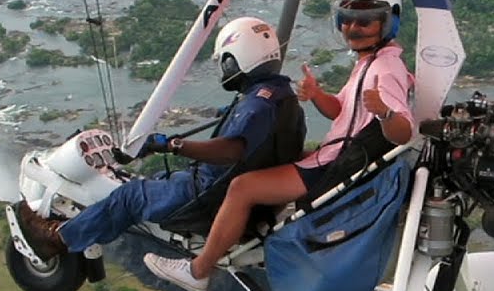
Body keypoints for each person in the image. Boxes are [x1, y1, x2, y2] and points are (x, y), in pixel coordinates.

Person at [143, 0, 415, 291]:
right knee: (276, 158)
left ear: (388, 21)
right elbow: (343, 111)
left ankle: (198, 271)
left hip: (335, 167)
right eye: (346, 19)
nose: (353, 28)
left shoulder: (385, 70)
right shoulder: (371, 62)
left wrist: (385, 112)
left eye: (365, 21)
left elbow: (403, 132)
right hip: (337, 156)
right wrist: (317, 95)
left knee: (243, 187)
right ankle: (253, 226)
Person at [16, 17, 302, 261]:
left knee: (130, 196)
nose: (224, 70)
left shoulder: (256, 106)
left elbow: (232, 150)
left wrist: (172, 145)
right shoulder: (282, 98)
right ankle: (85, 225)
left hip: (207, 197)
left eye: (225, 62)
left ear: (235, 59)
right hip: (234, 197)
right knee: (146, 183)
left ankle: (58, 239)